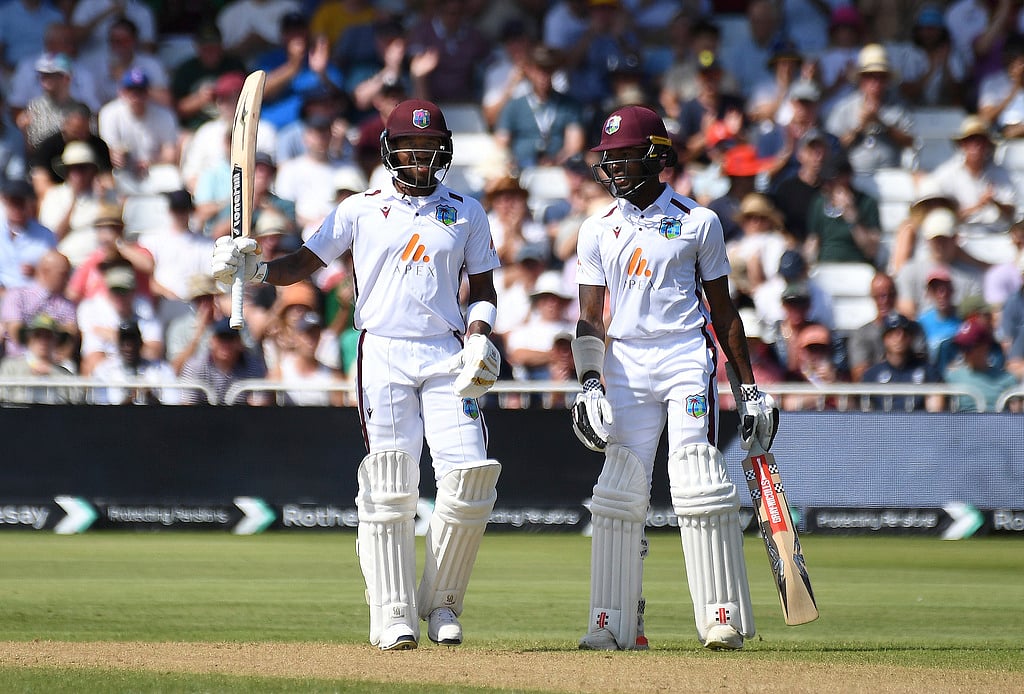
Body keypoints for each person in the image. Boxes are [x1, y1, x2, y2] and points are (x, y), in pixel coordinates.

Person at [211, 99, 503, 651]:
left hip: (446, 351)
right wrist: (253, 269)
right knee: (391, 481)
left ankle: (441, 603)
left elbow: (484, 289)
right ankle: (392, 611)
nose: (421, 162)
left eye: (431, 152)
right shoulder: (359, 209)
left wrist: (480, 335)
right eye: (411, 152)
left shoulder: (467, 210)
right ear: (391, 152)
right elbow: (302, 265)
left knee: (469, 478)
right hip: (383, 351)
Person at [569, 105, 777, 652]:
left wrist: (747, 387)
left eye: (623, 155)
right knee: (619, 492)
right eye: (606, 157)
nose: (612, 166)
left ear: (656, 157)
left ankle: (720, 615)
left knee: (697, 481)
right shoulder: (597, 228)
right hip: (624, 364)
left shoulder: (696, 221)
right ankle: (614, 622)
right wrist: (589, 382)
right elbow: (590, 318)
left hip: (686, 357)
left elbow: (725, 313)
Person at [861, 313, 945, 412]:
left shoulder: (928, 372)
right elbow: (865, 415)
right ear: (884, 339)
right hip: (882, 426)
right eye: (892, 333)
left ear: (911, 338)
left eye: (904, 333)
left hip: (918, 425)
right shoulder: (871, 375)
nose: (899, 338)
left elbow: (935, 416)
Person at [91, 320, 181, 405]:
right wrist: (129, 400)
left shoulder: (161, 369)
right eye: (124, 342)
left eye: (133, 342)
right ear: (118, 344)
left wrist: (151, 397)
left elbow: (173, 403)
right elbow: (100, 409)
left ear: (141, 343)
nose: (129, 348)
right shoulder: (104, 371)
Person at [945, 315, 1020, 411]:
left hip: (997, 425)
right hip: (964, 425)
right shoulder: (953, 377)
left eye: (968, 348)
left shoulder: (1007, 379)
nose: (964, 353)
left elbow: (1016, 420)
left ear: (984, 347)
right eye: (961, 348)